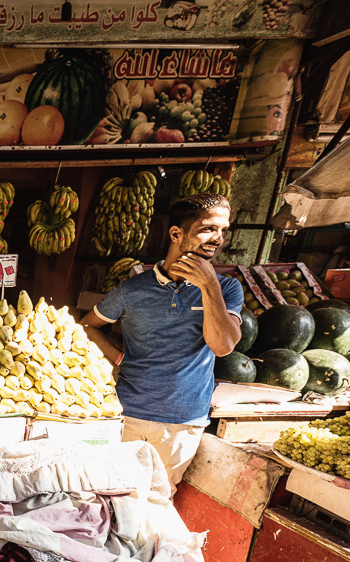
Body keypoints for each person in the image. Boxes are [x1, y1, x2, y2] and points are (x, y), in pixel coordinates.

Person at [80, 193, 243, 487]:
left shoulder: (227, 289)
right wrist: (118, 358)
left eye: (223, 231)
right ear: (176, 233)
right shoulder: (132, 289)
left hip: (181, 421)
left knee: (156, 501)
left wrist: (208, 286)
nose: (217, 239)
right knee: (106, 493)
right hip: (125, 413)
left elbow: (223, 346)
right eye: (208, 229)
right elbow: (87, 326)